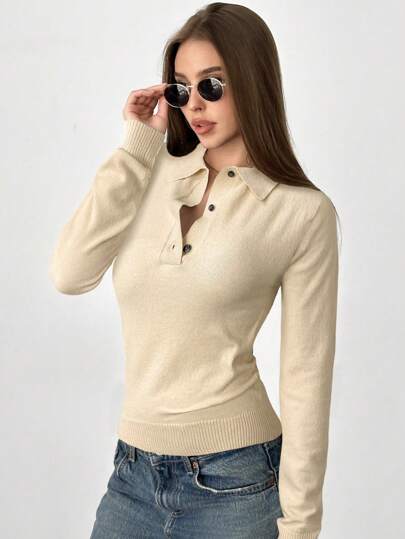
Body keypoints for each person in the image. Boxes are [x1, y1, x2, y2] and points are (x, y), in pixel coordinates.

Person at [49, 3, 340, 538]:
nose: (195, 105)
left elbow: (306, 377)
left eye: (212, 85)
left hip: (237, 482)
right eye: (182, 89)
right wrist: (136, 147)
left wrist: (300, 525)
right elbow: (71, 273)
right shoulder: (149, 171)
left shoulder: (301, 213)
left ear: (253, 82)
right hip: (132, 476)